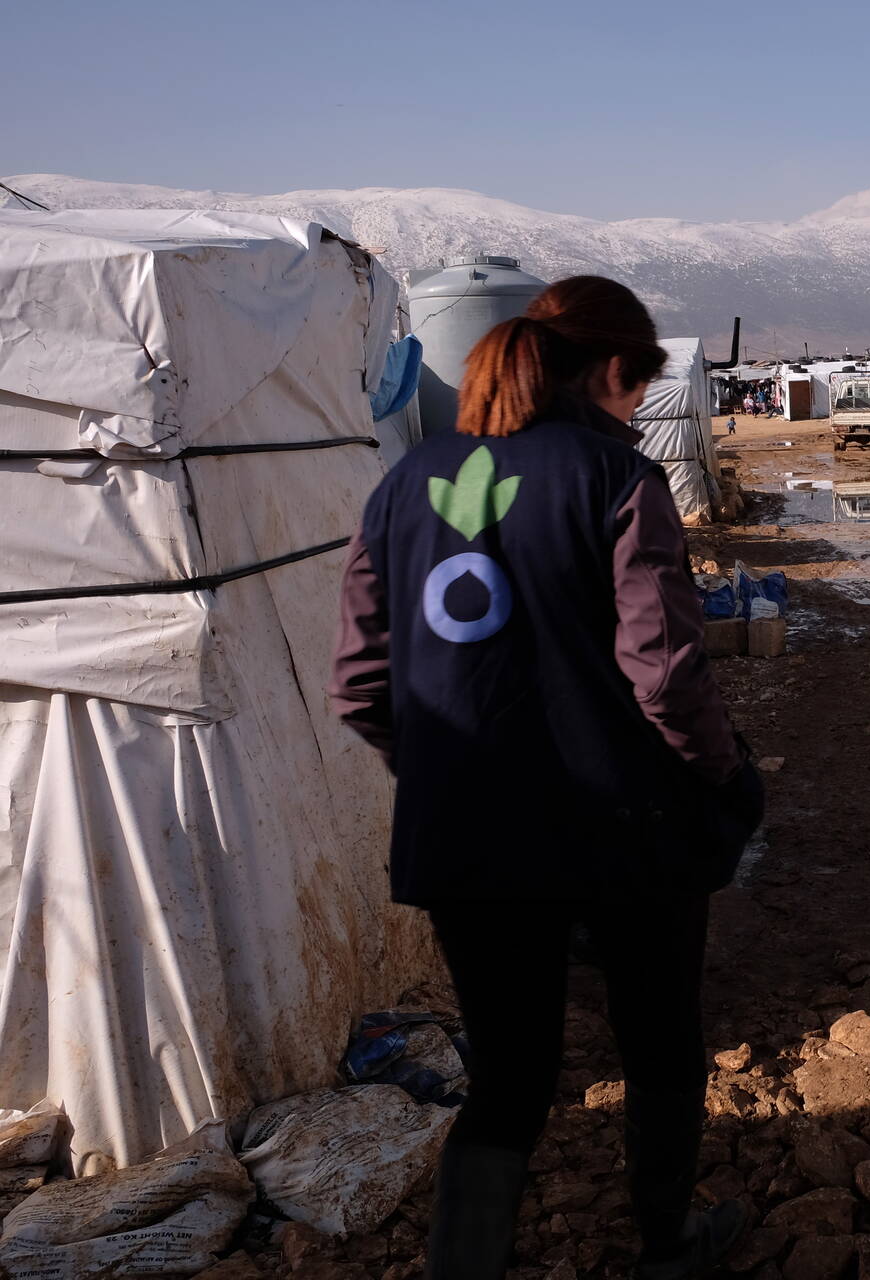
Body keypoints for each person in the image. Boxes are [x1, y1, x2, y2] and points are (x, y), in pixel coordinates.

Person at [328, 275, 763, 1280]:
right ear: (610, 370)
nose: (639, 410)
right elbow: (665, 674)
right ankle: (667, 1248)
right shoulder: (617, 478)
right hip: (625, 827)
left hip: (467, 840)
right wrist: (726, 776)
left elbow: (359, 682)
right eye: (638, 387)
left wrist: (445, 773)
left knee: (510, 1077)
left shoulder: (403, 484)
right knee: (659, 1044)